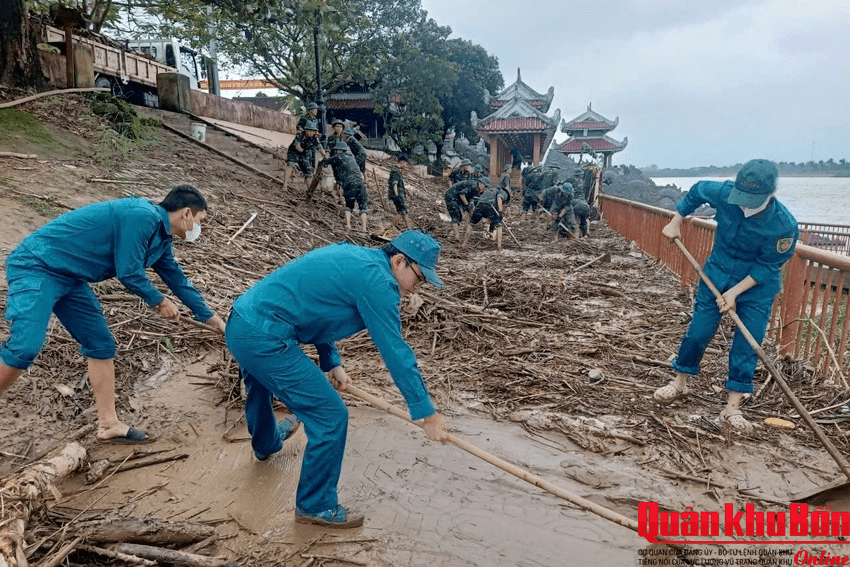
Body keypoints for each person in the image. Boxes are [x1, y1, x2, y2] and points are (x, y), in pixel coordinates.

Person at [224, 231, 449, 528]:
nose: (416, 287)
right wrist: (426, 412)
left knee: (261, 381)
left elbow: (316, 307)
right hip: (266, 337)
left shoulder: (355, 257)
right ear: (399, 261)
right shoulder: (379, 282)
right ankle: (315, 506)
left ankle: (266, 444)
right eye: (419, 279)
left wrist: (332, 362)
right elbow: (395, 350)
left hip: (242, 321)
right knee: (330, 416)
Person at [0, 185, 226, 443]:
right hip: (38, 265)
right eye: (200, 220)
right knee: (24, 347)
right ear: (186, 213)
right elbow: (128, 271)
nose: (199, 227)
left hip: (71, 276)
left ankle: (108, 424)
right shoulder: (142, 216)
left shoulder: (162, 240)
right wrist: (160, 301)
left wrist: (212, 318)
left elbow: (178, 280)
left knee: (101, 345)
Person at [654, 159, 798, 433]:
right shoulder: (724, 193)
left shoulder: (783, 225)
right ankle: (679, 383)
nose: (744, 206)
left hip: (755, 287)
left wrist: (734, 292)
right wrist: (676, 220)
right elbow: (696, 190)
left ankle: (732, 408)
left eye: (752, 201)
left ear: (771, 193)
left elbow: (768, 266)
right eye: (742, 198)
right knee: (698, 332)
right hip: (716, 274)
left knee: (747, 342)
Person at [320, 141, 368, 233]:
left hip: (350, 184)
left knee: (349, 206)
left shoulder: (338, 156)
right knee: (363, 208)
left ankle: (348, 225)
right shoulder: (351, 157)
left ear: (338, 150)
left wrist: (324, 157)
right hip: (360, 183)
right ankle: (364, 228)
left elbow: (326, 161)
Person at [462, 177, 508, 251]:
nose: (479, 185)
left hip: (479, 206)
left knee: (471, 224)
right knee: (499, 225)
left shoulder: (487, 192)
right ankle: (499, 246)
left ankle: (464, 244)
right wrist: (500, 211)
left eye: (480, 184)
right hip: (490, 206)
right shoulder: (498, 191)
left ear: (485, 185)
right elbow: (499, 199)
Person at [284, 120, 321, 192]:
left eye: (313, 131)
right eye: (310, 130)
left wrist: (324, 156)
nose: (311, 132)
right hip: (294, 151)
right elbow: (298, 146)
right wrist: (303, 154)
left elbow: (320, 147)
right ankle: (285, 184)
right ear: (306, 130)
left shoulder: (314, 138)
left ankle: (310, 191)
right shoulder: (300, 135)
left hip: (304, 152)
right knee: (291, 165)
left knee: (309, 171)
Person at [445, 176, 485, 241]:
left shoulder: (477, 189)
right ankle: (457, 238)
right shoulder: (474, 185)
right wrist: (466, 205)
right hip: (452, 196)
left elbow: (470, 197)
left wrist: (470, 206)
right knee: (455, 216)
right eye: (485, 187)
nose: (485, 189)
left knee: (461, 216)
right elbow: (462, 194)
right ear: (481, 184)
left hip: (458, 198)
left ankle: (453, 235)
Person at [388, 155, 411, 229]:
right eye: (406, 164)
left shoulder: (398, 171)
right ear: (402, 162)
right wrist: (397, 195)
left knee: (405, 211)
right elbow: (395, 184)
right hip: (397, 195)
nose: (405, 166)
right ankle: (391, 226)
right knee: (401, 212)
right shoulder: (395, 171)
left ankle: (409, 228)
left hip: (400, 195)